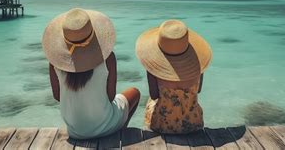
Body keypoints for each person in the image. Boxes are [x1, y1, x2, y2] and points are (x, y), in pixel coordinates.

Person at [42, 8, 140, 139]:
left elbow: (57, 96)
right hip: (106, 126)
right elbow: (111, 97)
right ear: (92, 33)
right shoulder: (108, 58)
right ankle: (119, 130)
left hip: (76, 132)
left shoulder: (55, 62)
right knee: (135, 92)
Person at [135, 20, 212, 134]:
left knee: (151, 102)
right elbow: (198, 90)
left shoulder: (154, 67)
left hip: (162, 124)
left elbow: (154, 95)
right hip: (193, 123)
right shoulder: (197, 64)